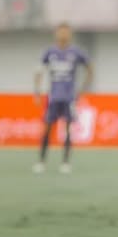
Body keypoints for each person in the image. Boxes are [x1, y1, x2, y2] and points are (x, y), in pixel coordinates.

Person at [33, 23, 92, 174]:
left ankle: (65, 162)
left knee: (68, 129)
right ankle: (41, 161)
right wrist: (37, 91)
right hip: (53, 97)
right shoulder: (49, 52)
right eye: (61, 32)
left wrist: (83, 89)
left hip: (69, 98)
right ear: (56, 34)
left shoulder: (76, 52)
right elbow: (39, 71)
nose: (63, 35)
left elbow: (90, 68)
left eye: (66, 32)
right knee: (47, 128)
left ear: (70, 34)